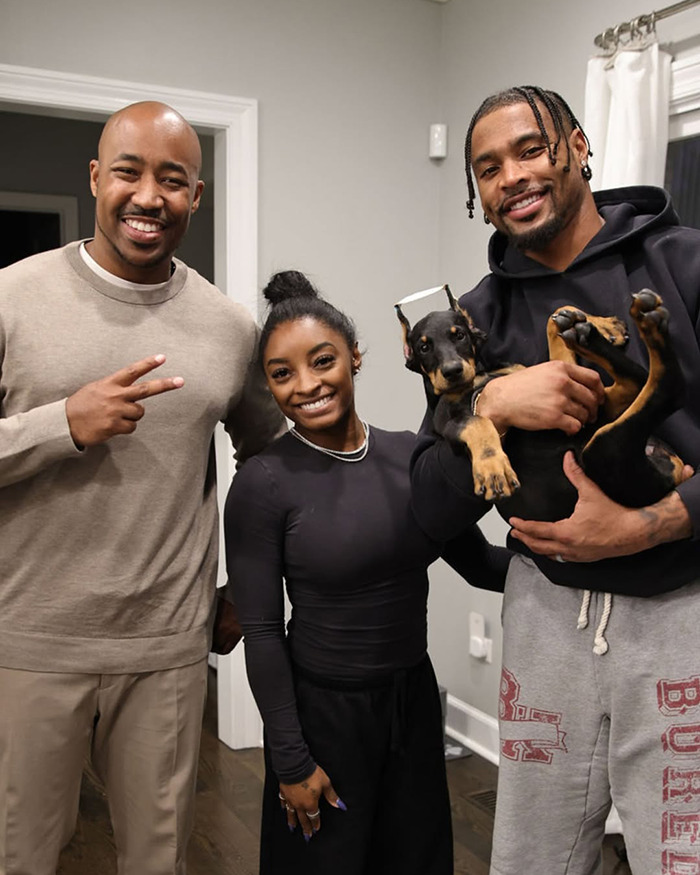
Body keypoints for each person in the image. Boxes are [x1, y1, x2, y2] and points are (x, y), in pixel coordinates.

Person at [410, 85, 700, 875]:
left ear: (576, 145)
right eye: (488, 167)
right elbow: (432, 501)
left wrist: (650, 524)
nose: (511, 176)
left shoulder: (684, 264)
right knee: (532, 859)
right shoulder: (471, 318)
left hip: (682, 608)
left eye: (529, 150)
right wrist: (498, 401)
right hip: (545, 617)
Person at [0, 101, 284, 875]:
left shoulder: (228, 326)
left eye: (174, 179)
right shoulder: (12, 296)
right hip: (29, 642)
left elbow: (272, 463)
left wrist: (248, 588)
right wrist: (64, 421)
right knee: (20, 857)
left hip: (166, 643)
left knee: (158, 861)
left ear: (196, 194)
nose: (149, 195)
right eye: (129, 171)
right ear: (96, 178)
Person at [223, 270, 509, 875]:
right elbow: (264, 634)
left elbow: (481, 563)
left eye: (322, 360)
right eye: (282, 374)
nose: (306, 385)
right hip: (323, 716)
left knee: (417, 860)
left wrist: (579, 558)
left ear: (356, 356)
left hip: (412, 702)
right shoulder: (263, 484)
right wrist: (291, 759)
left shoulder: (414, 454)